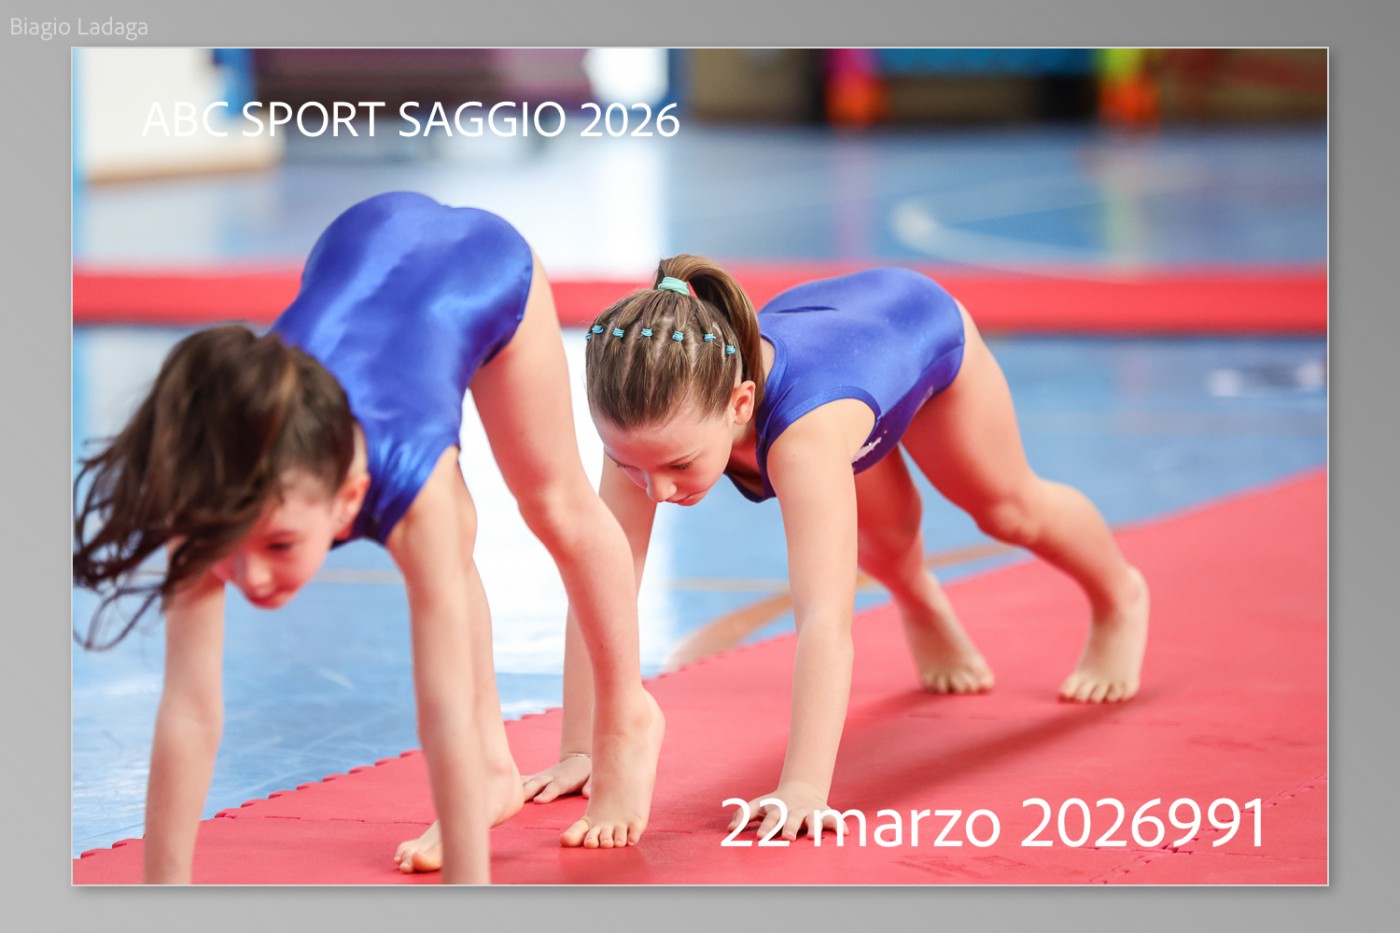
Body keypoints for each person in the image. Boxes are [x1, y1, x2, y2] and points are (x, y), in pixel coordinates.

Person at [71, 192, 663, 884]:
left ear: (351, 500)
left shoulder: (413, 485)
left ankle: (626, 717)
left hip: (481, 271)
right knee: (447, 552)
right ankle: (491, 772)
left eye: (280, 546)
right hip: (357, 239)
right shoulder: (211, 488)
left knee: (552, 504)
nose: (252, 577)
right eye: (232, 550)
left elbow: (441, 710)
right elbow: (189, 709)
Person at [522, 255, 1148, 841]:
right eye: (629, 466)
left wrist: (803, 787)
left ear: (740, 404)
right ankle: (921, 601)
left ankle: (1120, 596)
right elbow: (602, 583)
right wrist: (580, 747)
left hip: (917, 330)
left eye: (680, 465)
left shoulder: (804, 437)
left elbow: (824, 619)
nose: (655, 489)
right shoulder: (645, 431)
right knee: (885, 543)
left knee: (1008, 510)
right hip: (842, 353)